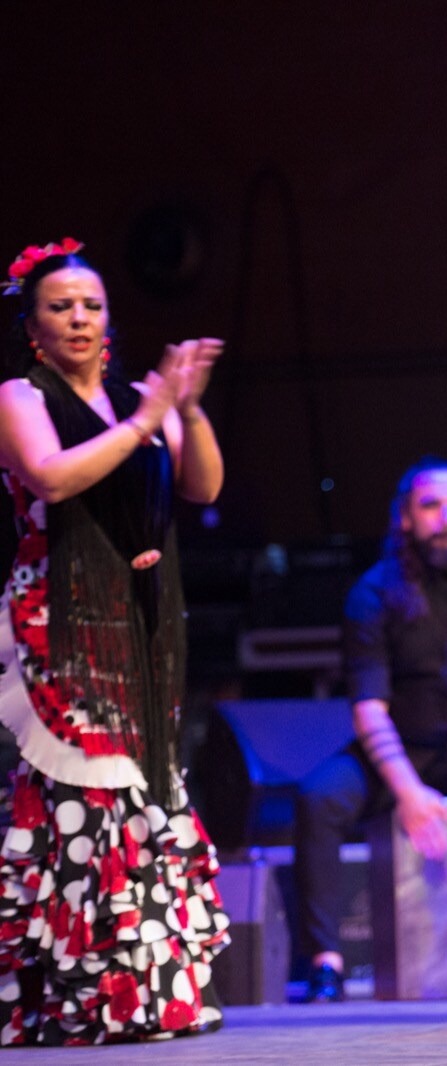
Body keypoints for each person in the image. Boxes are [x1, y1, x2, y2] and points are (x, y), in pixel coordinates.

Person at [0, 240, 229, 1043]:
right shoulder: (20, 395)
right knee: (88, 794)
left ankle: (143, 993)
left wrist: (186, 409)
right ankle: (68, 995)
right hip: (56, 622)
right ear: (32, 325)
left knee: (145, 794)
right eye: (60, 306)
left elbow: (203, 488)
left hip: (142, 625)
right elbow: (51, 476)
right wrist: (143, 421)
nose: (79, 318)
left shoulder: (142, 401)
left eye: (91, 305)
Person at [292, 458, 447, 1002]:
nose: (445, 517)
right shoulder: (373, 593)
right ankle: (326, 961)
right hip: (403, 752)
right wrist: (406, 791)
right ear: (405, 518)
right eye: (430, 505)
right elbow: (369, 707)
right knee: (319, 797)